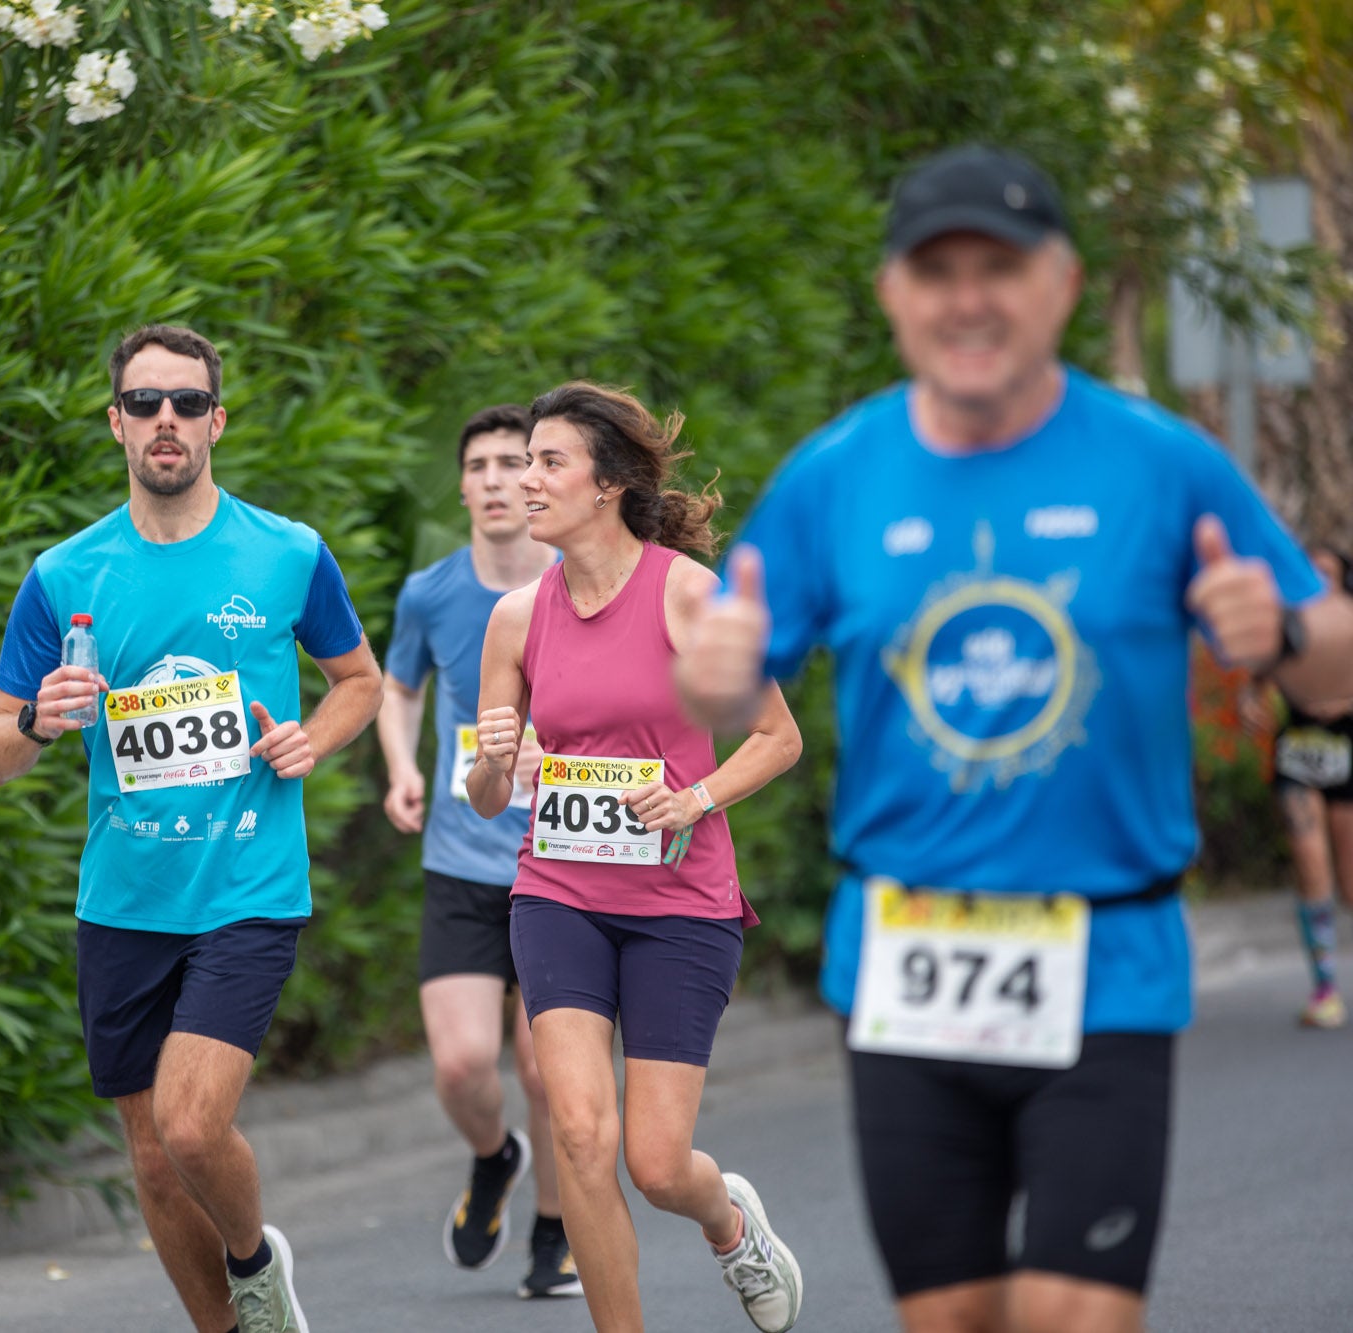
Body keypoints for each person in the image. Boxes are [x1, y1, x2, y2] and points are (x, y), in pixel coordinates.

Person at [675, 145, 1353, 1333]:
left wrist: (1288, 625)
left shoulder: (1156, 460)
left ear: (1062, 284)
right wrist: (717, 676)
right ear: (892, 293)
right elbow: (726, 693)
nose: (967, 297)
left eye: (1001, 265)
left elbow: (1331, 660)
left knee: (1072, 1317)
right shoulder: (837, 476)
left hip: (1105, 955)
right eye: (935, 271)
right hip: (904, 956)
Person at [0, 324, 382, 1333]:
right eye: (146, 402)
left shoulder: (286, 552)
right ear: (115, 422)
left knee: (192, 1127)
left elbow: (360, 682)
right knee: (151, 1157)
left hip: (246, 880)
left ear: (217, 421)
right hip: (124, 897)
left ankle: (252, 1260)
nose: (167, 420)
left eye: (187, 403)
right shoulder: (65, 575)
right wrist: (38, 717)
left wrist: (310, 741)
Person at [468, 381, 805, 1333]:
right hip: (557, 893)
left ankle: (731, 1224)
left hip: (681, 905)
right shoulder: (513, 618)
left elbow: (778, 738)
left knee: (658, 1164)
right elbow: (490, 795)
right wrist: (494, 763)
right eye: (523, 462)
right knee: (578, 1133)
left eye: (547, 462)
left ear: (608, 484)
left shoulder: (687, 594)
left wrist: (694, 797)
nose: (524, 481)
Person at [377, 404, 574, 1298]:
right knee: (461, 1065)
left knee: (546, 1065)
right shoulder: (431, 592)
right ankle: (495, 1158)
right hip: (461, 860)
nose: (497, 478)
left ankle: (556, 1231)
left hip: (563, 860)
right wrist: (401, 769)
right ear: (460, 485)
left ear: (537, 479)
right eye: (480, 464)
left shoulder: (583, 585)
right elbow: (397, 684)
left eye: (513, 461)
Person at [1244, 545, 1353, 1028]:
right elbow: (1257, 682)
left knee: (1350, 885)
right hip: (1299, 755)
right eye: (1311, 574)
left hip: (1347, 755)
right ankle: (1325, 990)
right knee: (1311, 866)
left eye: (1328, 574)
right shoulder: (1286, 628)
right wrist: (1252, 701)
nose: (1319, 583)